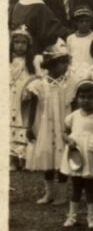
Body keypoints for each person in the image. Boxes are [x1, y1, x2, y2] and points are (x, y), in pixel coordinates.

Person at [24, 40, 73, 204]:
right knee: (47, 157)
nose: (65, 66)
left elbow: (72, 106)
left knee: (62, 158)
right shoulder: (39, 84)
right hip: (45, 125)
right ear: (51, 64)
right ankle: (49, 193)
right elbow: (32, 106)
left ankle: (61, 195)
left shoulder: (68, 84)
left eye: (67, 62)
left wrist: (72, 126)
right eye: (62, 62)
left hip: (62, 124)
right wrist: (29, 125)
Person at [60, 78, 93, 229]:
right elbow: (64, 132)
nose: (85, 101)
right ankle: (72, 216)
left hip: (91, 153)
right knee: (75, 185)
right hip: (75, 153)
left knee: (89, 186)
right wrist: (68, 140)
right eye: (82, 97)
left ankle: (92, 216)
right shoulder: (74, 115)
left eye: (90, 97)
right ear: (77, 98)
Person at [10, 26, 37, 170]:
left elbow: (37, 79)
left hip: (25, 98)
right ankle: (12, 158)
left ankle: (25, 158)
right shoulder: (7, 61)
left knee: (24, 122)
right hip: (10, 95)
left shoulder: (33, 63)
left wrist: (30, 87)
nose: (20, 46)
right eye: (17, 42)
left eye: (23, 43)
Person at [67, 6, 93, 78]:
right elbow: (69, 58)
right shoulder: (70, 38)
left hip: (92, 71)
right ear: (76, 23)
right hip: (75, 72)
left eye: (87, 21)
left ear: (91, 22)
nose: (84, 24)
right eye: (81, 21)